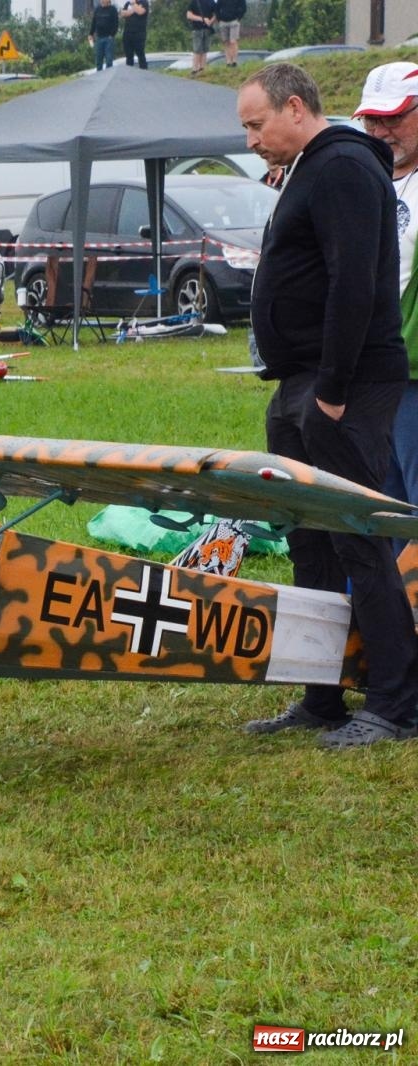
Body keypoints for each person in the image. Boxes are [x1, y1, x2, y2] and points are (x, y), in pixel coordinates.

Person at [237, 63, 418, 747]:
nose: (251, 139)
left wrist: (336, 390)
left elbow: (353, 285)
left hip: (343, 384)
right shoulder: (310, 168)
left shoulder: (341, 165)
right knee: (307, 540)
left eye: (256, 125)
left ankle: (396, 703)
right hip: (300, 381)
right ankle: (320, 695)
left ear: (293, 108)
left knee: (358, 537)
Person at [353, 62, 418, 517]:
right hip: (366, 372)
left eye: (394, 117)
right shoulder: (364, 179)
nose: (381, 130)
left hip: (413, 374)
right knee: (377, 509)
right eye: (372, 119)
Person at [186, 0, 218, 77]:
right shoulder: (194, 2)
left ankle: (202, 69)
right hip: (197, 29)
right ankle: (194, 69)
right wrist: (202, 19)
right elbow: (189, 15)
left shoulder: (211, 2)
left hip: (207, 29)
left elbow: (217, 13)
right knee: (197, 50)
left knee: (205, 50)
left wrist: (211, 21)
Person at [214, 0, 247, 68]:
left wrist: (239, 18)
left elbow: (244, 8)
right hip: (223, 22)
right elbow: (217, 8)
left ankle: (234, 61)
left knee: (233, 41)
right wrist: (219, 19)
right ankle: (228, 62)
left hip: (234, 21)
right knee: (226, 42)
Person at [89, 0, 119, 72]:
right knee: (98, 60)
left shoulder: (113, 9)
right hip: (99, 38)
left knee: (109, 60)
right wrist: (90, 34)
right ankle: (99, 78)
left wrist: (112, 35)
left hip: (108, 38)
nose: (102, 1)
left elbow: (116, 23)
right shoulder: (97, 9)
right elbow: (94, 22)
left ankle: (108, 77)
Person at [120, 0, 149, 70]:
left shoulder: (144, 2)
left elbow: (140, 12)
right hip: (127, 33)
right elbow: (123, 14)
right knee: (129, 56)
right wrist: (134, 9)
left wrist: (133, 4)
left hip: (139, 34)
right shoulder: (127, 3)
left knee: (140, 54)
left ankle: (144, 74)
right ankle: (129, 75)